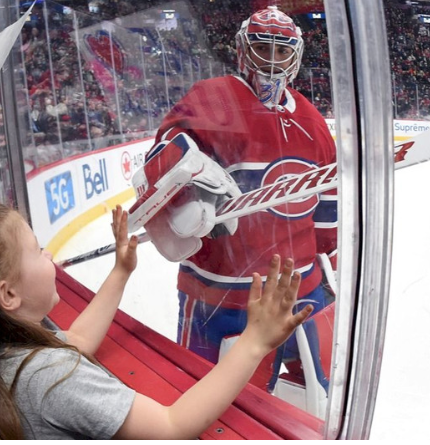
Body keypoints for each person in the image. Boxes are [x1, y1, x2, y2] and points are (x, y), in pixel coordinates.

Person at [0, 198, 312, 439]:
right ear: (7, 294)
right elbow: (171, 427)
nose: (49, 256)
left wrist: (120, 271)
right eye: (37, 250)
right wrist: (255, 341)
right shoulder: (45, 375)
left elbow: (77, 339)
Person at [130, 6, 337, 393]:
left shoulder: (313, 120)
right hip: (219, 289)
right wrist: (188, 192)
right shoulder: (213, 97)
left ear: (296, 55)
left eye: (281, 51)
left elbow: (327, 202)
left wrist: (330, 262)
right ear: (243, 49)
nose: (272, 60)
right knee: (196, 393)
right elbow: (163, 155)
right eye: (263, 47)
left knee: (287, 396)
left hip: (296, 290)